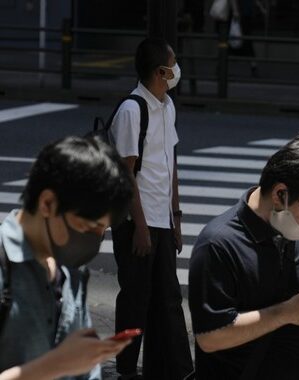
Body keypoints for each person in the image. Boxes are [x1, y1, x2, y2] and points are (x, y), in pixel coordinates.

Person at [188, 134, 299, 379]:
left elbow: (289, 294)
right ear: (281, 194)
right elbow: (210, 337)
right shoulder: (218, 243)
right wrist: (286, 313)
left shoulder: (293, 228)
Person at [0, 136, 134, 380]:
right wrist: (54, 366)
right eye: (87, 226)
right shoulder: (5, 265)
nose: (94, 240)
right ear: (47, 203)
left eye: (102, 230)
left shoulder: (69, 271)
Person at [110, 37, 193, 380]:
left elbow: (170, 164)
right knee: (135, 301)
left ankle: (174, 370)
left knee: (167, 299)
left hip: (161, 217)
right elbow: (126, 173)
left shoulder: (167, 106)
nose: (176, 71)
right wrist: (141, 227)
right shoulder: (133, 110)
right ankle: (126, 369)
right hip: (136, 222)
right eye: (173, 65)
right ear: (161, 71)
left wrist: (175, 217)